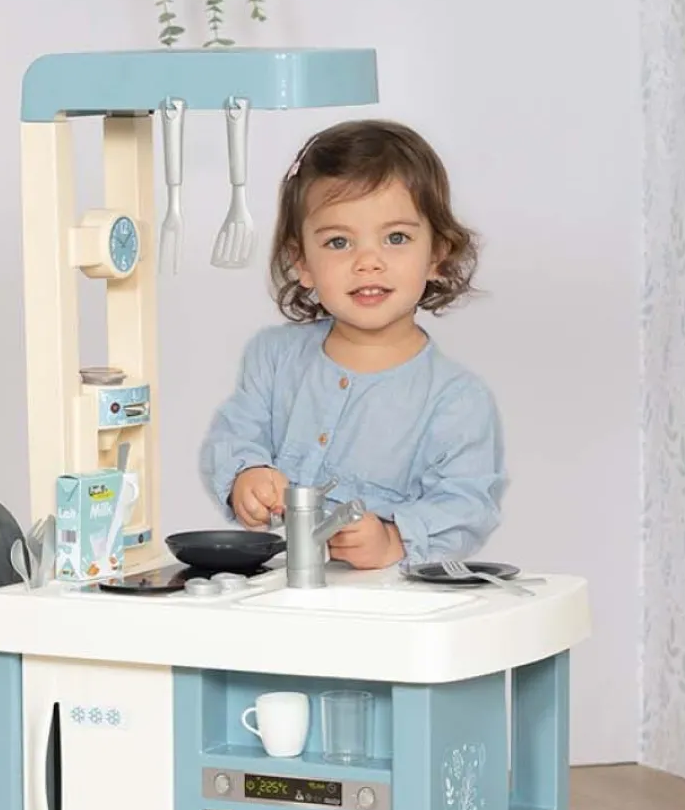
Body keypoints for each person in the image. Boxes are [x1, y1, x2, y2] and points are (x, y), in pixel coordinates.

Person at [199, 119, 506, 570]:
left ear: (437, 255)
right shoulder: (273, 358)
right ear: (302, 262)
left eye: (396, 238)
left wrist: (394, 539)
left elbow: (468, 505)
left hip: (391, 600)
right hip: (280, 591)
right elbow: (234, 433)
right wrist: (247, 474)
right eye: (339, 242)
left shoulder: (456, 399)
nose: (368, 262)